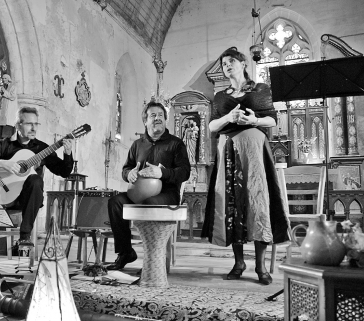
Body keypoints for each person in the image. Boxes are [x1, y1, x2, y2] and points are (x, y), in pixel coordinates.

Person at [201, 47, 289, 285]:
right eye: (223, 64)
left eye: (231, 61)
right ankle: (239, 263)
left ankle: (260, 267)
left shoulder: (261, 89)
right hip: (228, 149)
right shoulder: (220, 97)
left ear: (242, 63)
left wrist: (254, 120)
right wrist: (228, 118)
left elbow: (273, 118)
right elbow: (211, 127)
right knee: (233, 205)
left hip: (254, 151)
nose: (226, 66)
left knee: (257, 203)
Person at [0, 107, 74, 264]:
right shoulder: (3, 145)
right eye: (29, 124)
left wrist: (68, 153)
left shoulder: (42, 148)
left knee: (35, 180)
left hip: (25, 199)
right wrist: (1, 163)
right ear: (18, 125)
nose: (34, 128)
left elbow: (64, 172)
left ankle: (24, 239)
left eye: (36, 124)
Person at [106, 101, 191, 270]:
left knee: (149, 204)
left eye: (161, 116)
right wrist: (128, 174)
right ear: (145, 121)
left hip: (167, 193)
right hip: (138, 193)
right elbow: (126, 169)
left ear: (166, 120)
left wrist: (163, 173)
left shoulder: (176, 144)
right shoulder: (137, 145)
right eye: (153, 115)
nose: (157, 118)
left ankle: (153, 260)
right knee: (115, 202)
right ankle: (125, 252)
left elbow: (185, 172)